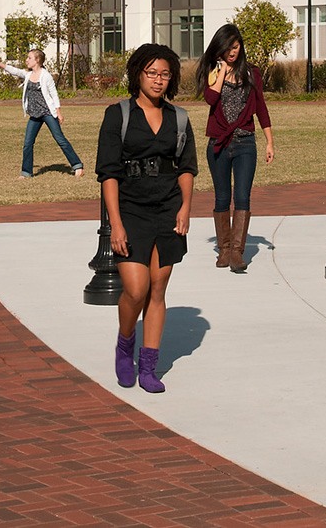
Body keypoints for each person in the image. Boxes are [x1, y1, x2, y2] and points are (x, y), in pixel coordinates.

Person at [97, 44, 197, 394]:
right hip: (131, 210)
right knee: (135, 290)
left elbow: (186, 168)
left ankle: (149, 367)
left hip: (168, 209)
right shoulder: (118, 115)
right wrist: (116, 224)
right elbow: (108, 173)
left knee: (157, 289)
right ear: (138, 74)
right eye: (151, 73)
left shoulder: (179, 119)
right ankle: (125, 345)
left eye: (165, 74)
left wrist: (185, 208)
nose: (158, 80)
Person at [199, 23, 274, 272]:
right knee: (222, 197)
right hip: (219, 143)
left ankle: (237, 253)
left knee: (242, 196)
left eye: (236, 46)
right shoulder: (212, 72)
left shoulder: (252, 73)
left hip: (245, 143)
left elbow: (261, 108)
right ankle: (224, 250)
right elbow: (210, 99)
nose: (233, 51)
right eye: (228, 47)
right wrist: (222, 71)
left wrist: (269, 140)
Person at [0, 48, 83, 178]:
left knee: (60, 139)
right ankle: (26, 172)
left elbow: (54, 95)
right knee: (28, 143)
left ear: (37, 60)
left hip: (47, 113)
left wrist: (59, 113)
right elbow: (15, 71)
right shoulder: (28, 75)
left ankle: (77, 165)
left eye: (29, 58)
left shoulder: (46, 76)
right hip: (34, 115)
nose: (26, 60)